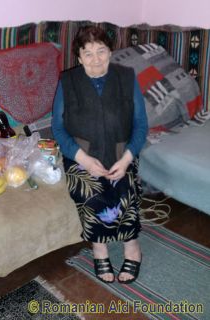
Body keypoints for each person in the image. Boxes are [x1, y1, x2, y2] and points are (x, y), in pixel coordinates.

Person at [52, 25, 148, 284]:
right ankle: (99, 248)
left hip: (120, 151)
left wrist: (127, 158)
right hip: (81, 154)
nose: (96, 59)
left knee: (125, 188)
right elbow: (58, 129)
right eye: (88, 53)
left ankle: (132, 247)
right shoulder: (68, 81)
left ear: (110, 51)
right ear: (79, 56)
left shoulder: (126, 77)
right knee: (90, 190)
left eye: (101, 51)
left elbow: (141, 124)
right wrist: (81, 158)